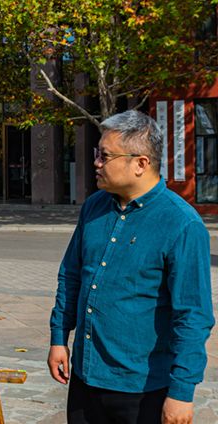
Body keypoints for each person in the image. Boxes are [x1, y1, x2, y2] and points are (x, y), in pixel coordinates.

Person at [47, 110, 214, 424]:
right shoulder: (94, 207)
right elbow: (71, 275)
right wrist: (59, 337)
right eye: (97, 153)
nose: (96, 163)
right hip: (86, 377)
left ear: (140, 163)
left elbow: (193, 315)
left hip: (142, 388)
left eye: (105, 156)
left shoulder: (182, 224)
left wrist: (182, 392)